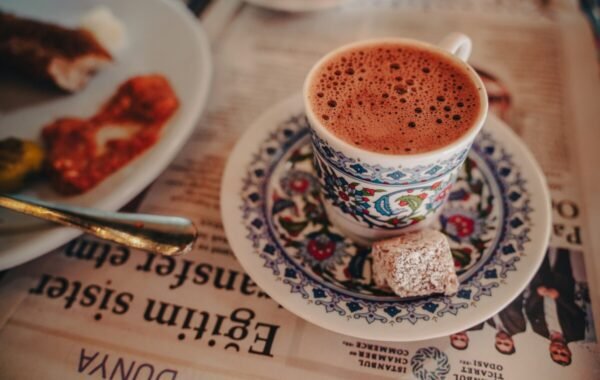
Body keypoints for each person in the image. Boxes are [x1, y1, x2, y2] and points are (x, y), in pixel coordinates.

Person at [526, 248, 586, 366]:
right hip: (562, 286)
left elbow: (529, 310)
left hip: (540, 285)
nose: (558, 350)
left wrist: (537, 294)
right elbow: (577, 314)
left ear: (550, 350)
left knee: (540, 255)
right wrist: (558, 297)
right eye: (563, 353)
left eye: (555, 352)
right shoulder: (576, 334)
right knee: (562, 253)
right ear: (569, 352)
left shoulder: (539, 330)